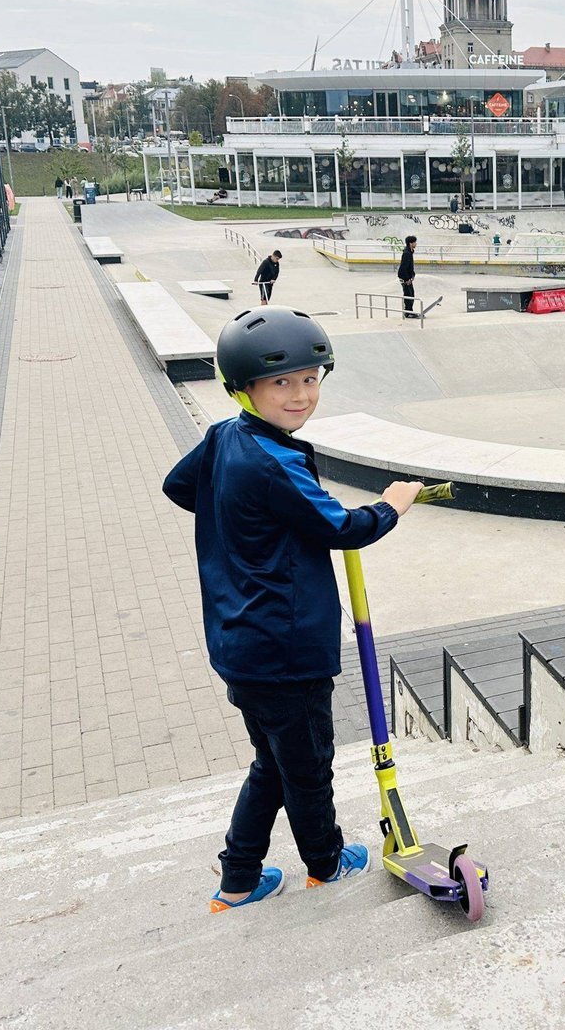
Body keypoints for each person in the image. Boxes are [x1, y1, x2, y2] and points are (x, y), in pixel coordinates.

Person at [162, 307, 423, 912]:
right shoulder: (272, 463)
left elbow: (180, 486)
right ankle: (326, 864)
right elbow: (343, 527)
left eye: (310, 378)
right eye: (281, 382)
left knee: (273, 764)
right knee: (306, 768)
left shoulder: (225, 436)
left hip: (241, 639)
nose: (301, 395)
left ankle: (239, 878)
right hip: (285, 650)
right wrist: (393, 504)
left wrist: (246, 523)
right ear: (242, 387)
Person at [397, 235, 417, 319]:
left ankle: (409, 311)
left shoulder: (410, 252)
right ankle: (408, 312)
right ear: (410, 243)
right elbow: (403, 268)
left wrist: (412, 275)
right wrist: (407, 279)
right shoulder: (406, 254)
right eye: (414, 242)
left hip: (408, 277)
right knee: (408, 294)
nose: (416, 244)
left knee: (411, 294)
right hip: (405, 278)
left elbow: (409, 267)